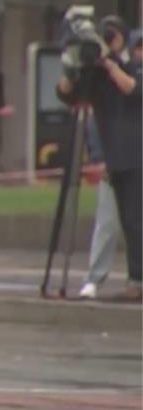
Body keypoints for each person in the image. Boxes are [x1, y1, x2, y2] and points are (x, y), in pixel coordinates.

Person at [58, 16, 141, 301]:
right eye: (105, 37)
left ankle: (137, 281)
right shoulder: (97, 78)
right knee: (111, 222)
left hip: (137, 157)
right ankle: (100, 279)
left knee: (135, 221)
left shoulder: (134, 67)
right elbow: (67, 95)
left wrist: (110, 62)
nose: (109, 42)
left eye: (114, 36)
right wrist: (72, 69)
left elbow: (132, 88)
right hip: (112, 158)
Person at [78, 113, 120, 299]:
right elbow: (96, 119)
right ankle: (94, 279)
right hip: (114, 163)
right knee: (107, 222)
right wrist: (99, 158)